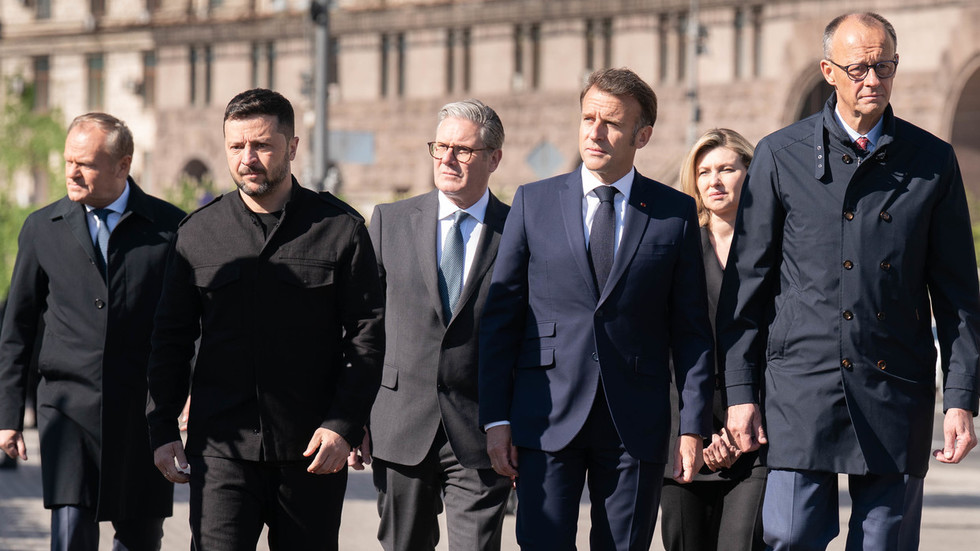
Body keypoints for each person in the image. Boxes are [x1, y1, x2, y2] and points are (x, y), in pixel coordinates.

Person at [719, 12, 980, 551]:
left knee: (883, 544)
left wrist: (960, 399)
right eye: (858, 67)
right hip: (801, 384)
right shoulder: (779, 155)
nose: (872, 79)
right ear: (828, 71)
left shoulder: (933, 161)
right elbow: (747, 287)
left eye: (884, 66)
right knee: (787, 535)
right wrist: (741, 392)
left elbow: (958, 298)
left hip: (894, 384)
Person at [478, 67, 715, 550]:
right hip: (545, 414)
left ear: (641, 135)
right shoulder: (532, 202)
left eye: (611, 123)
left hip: (637, 420)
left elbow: (691, 332)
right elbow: (501, 321)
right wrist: (496, 418)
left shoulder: (675, 213)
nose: (595, 132)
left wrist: (691, 427)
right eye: (588, 118)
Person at [145, 88, 385, 551]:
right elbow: (169, 340)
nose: (248, 158)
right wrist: (161, 431)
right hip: (221, 453)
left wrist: (344, 424)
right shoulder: (197, 233)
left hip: (313, 452)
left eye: (261, 145)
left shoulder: (340, 229)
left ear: (292, 147)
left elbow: (367, 337)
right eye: (236, 147)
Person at [0, 113, 184, 550]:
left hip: (144, 417)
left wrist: (186, 397)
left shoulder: (170, 228)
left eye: (85, 163)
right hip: (68, 412)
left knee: (140, 538)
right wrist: (7, 418)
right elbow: (17, 328)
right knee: (71, 534)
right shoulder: (42, 228)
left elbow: (187, 324)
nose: (71, 172)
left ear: (123, 165)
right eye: (68, 161)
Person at [364, 99, 512, 551]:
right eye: (440, 147)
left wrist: (513, 420)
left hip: (483, 429)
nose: (447, 159)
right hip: (399, 424)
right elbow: (363, 327)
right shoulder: (389, 221)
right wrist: (353, 417)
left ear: (494, 158)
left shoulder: (519, 231)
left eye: (462, 150)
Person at [660, 129, 766, 551]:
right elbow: (666, 350)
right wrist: (699, 429)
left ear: (749, 173)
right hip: (686, 437)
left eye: (726, 168)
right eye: (703, 171)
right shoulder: (674, 247)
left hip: (757, 435)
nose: (714, 181)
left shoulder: (776, 249)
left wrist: (742, 425)